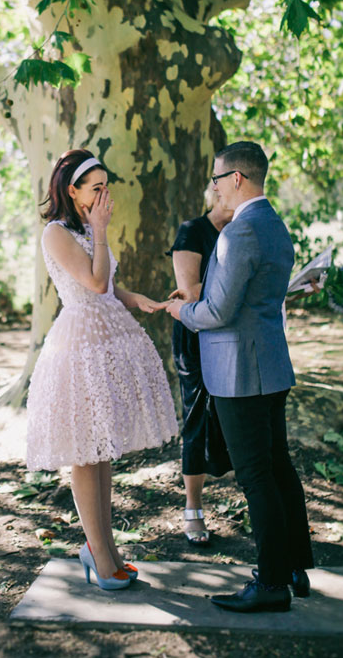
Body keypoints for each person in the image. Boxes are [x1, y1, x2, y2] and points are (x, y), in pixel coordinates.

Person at [165, 141, 314, 613]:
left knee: (255, 476)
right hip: (269, 365)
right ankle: (294, 567)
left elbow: (218, 312)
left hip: (239, 373)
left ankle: (270, 585)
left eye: (216, 179)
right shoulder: (275, 224)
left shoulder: (239, 232)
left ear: (236, 179)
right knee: (278, 467)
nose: (212, 188)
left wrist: (180, 311)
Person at [26, 149, 178, 592]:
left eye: (106, 186)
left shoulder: (85, 229)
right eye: (96, 187)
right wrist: (100, 229)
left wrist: (135, 298)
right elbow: (91, 284)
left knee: (102, 450)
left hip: (108, 340)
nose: (104, 195)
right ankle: (97, 552)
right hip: (79, 348)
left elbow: (106, 286)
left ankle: (105, 550)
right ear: (72, 191)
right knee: (86, 452)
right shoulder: (56, 233)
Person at [167, 192, 233, 545]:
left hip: (232, 336)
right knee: (196, 419)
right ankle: (193, 508)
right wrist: (237, 280)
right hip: (194, 338)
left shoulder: (241, 232)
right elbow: (189, 292)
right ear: (216, 193)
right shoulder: (192, 231)